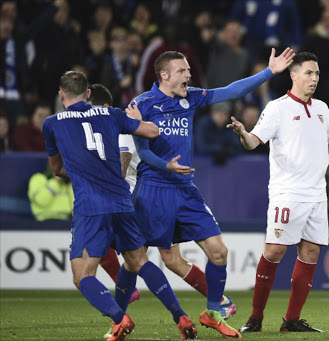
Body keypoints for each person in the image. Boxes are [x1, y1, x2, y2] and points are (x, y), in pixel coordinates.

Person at [131, 47, 295, 339]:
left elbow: (231, 91)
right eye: (183, 71)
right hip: (154, 191)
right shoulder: (142, 104)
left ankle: (213, 313)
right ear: (164, 74)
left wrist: (269, 72)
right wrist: (166, 166)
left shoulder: (191, 97)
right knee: (135, 259)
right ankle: (118, 318)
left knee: (219, 253)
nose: (189, 75)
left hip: (185, 190)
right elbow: (142, 152)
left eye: (189, 71)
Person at [227, 52, 329, 334]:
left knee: (310, 253)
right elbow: (254, 142)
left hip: (317, 195)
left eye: (317, 74)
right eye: (309, 73)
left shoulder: (322, 109)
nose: (314, 79)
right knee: (275, 250)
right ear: (294, 75)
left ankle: (291, 320)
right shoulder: (278, 109)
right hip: (287, 193)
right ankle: (255, 317)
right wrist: (243, 133)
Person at [42, 71, 198, 341]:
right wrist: (137, 120)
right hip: (122, 202)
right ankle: (181, 317)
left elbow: (57, 169)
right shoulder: (111, 114)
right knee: (139, 261)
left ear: (61, 95)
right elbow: (153, 130)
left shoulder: (52, 123)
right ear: (89, 93)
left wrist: (81, 171)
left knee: (82, 275)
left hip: (91, 206)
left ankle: (120, 318)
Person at [87, 83, 237, 325]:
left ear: (104, 107)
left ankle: (125, 316)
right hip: (147, 193)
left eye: (89, 108)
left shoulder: (122, 125)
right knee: (165, 260)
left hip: (146, 195)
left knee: (140, 258)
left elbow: (123, 165)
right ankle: (218, 302)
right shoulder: (109, 127)